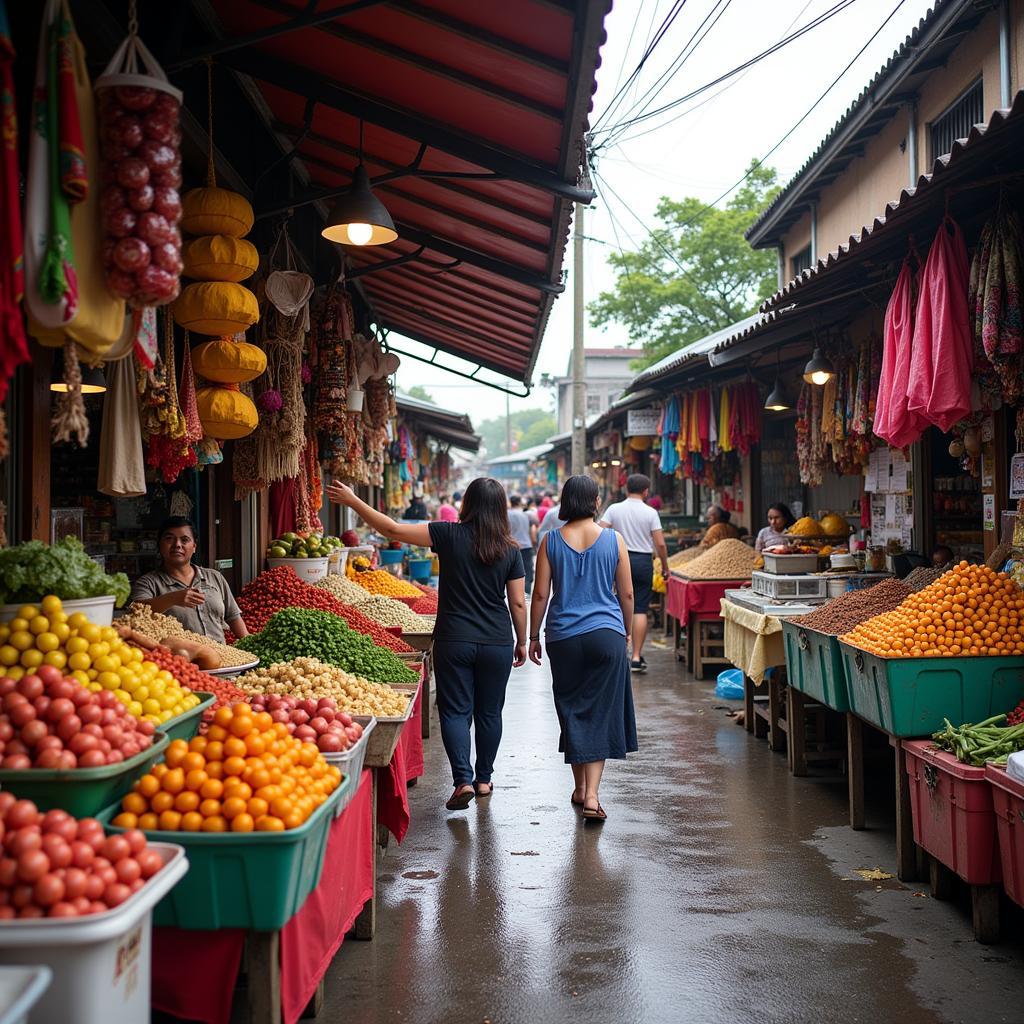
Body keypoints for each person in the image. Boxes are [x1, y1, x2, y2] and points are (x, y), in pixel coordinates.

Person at [327, 477, 526, 811]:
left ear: (468, 505)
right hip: (496, 640)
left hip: (454, 638)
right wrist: (524, 639)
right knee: (489, 711)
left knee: (455, 710)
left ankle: (462, 780)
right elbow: (518, 603)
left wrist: (353, 501)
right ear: (501, 508)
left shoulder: (448, 534)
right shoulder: (510, 549)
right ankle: (484, 779)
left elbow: (393, 530)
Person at [529, 474, 638, 823]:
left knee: (572, 710)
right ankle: (591, 795)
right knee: (600, 713)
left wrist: (532, 636)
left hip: (562, 637)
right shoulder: (613, 539)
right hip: (606, 632)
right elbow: (628, 594)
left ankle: (580, 789)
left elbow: (541, 594)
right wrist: (627, 632)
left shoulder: (550, 541)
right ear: (594, 501)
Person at [130, 517, 248, 641]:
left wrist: (249, 643)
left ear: (194, 547)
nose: (177, 545)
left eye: (184, 540)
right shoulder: (148, 583)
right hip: (177, 658)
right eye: (169, 539)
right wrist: (173, 598)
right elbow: (137, 612)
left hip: (221, 657)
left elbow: (233, 617)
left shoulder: (214, 577)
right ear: (160, 545)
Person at [599, 474, 669, 674]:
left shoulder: (614, 509)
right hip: (642, 562)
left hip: (618, 560)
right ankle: (636, 657)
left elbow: (600, 531)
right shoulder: (650, 512)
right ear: (646, 491)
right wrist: (665, 566)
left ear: (626, 489)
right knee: (639, 608)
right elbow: (661, 543)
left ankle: (619, 653)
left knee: (617, 604)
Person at [507, 494, 536, 595]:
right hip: (526, 547)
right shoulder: (527, 515)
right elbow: (533, 529)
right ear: (519, 503)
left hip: (510, 548)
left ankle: (514, 596)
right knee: (527, 575)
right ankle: (526, 597)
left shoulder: (506, 514)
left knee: (511, 575)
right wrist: (533, 542)